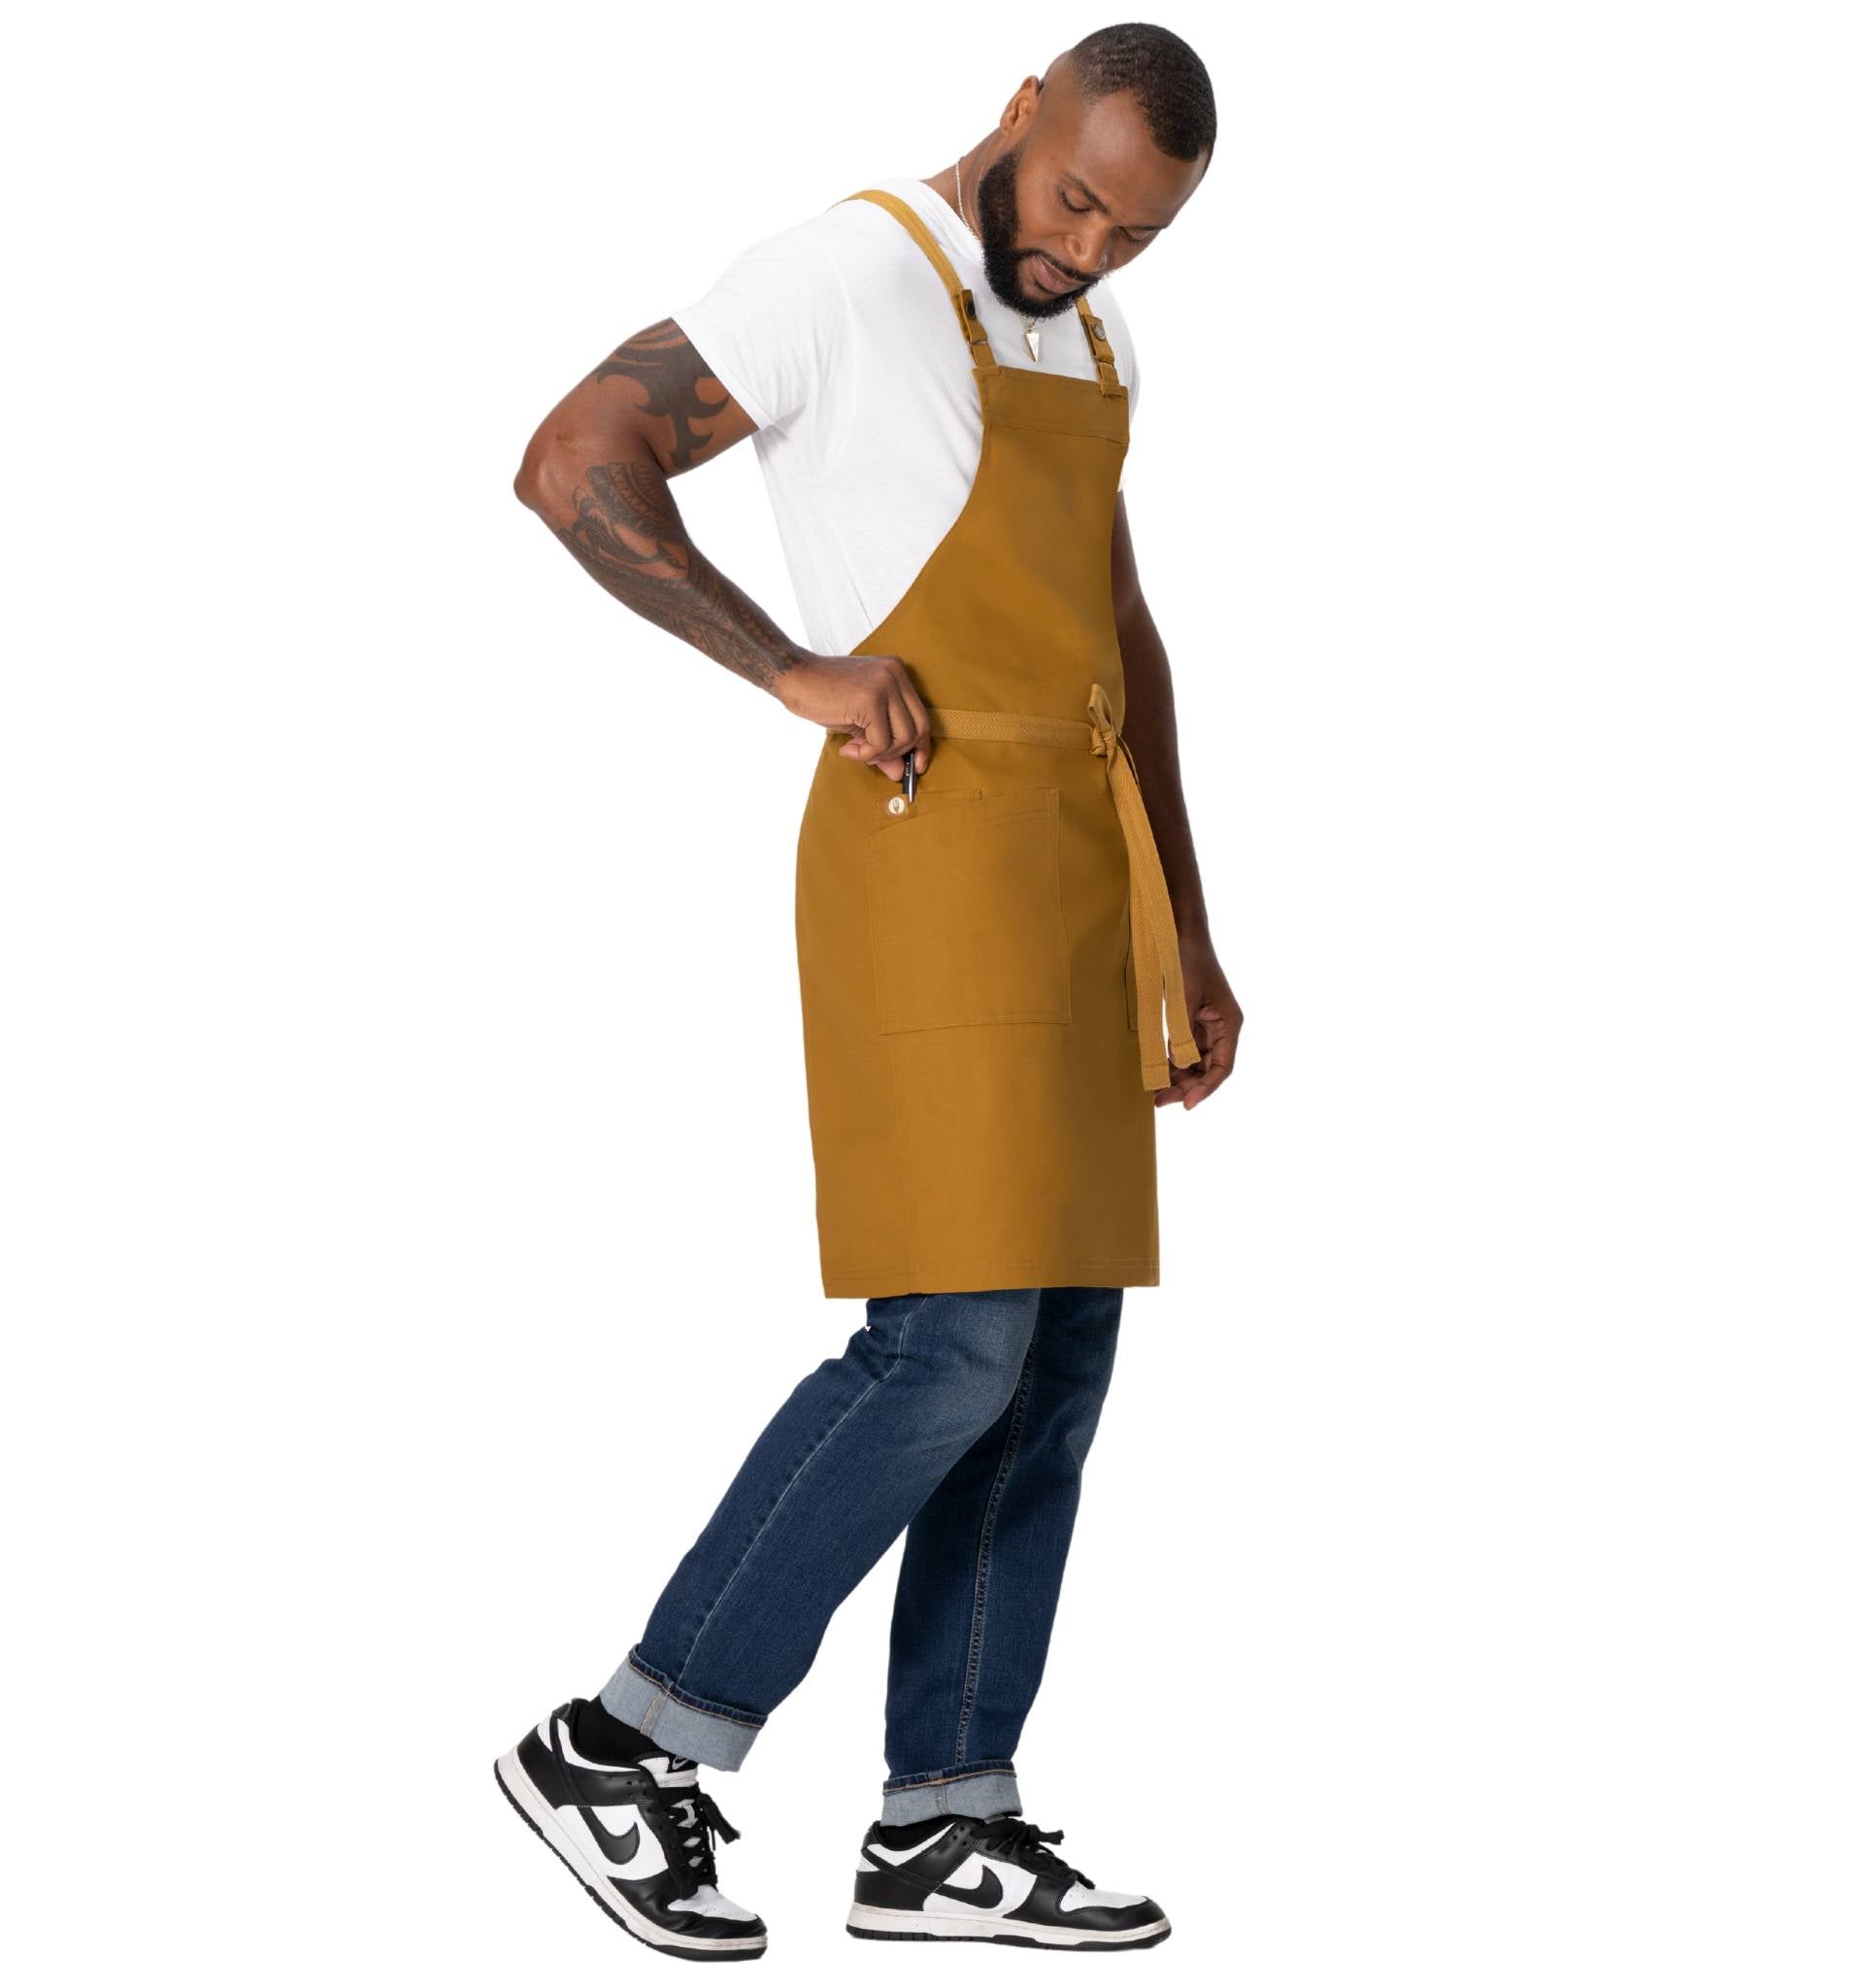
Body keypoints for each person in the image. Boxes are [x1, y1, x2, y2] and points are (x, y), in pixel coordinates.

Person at [498, 24, 1240, 1960]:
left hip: (1077, 874)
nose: (1088, 250)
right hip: (927, 857)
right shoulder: (846, 268)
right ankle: (625, 1738)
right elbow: (573, 457)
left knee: (1054, 1359)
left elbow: (1120, 627)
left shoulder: (1093, 341)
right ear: (1018, 109)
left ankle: (944, 1821)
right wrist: (787, 665)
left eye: (1136, 234)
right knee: (947, 1347)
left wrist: (1187, 919)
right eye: (1074, 200)